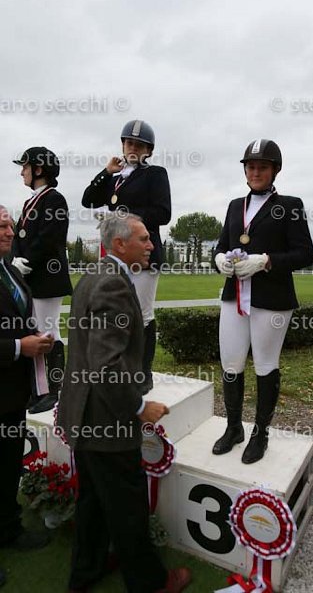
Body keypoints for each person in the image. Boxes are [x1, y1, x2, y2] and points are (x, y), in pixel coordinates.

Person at [57, 213, 191, 593]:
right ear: (119, 244)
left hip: (86, 415)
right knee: (128, 507)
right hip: (106, 420)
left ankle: (88, 570)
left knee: (93, 501)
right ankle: (151, 583)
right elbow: (106, 365)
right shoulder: (113, 284)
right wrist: (138, 408)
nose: (151, 245)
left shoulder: (95, 275)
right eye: (144, 239)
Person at [212, 139, 313, 464]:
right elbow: (223, 244)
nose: (255, 172)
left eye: (262, 167)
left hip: (271, 299)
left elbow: (305, 254)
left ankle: (260, 434)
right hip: (234, 296)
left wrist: (267, 261)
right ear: (245, 170)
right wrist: (218, 258)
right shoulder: (234, 206)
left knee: (266, 364)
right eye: (251, 167)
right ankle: (233, 428)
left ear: (274, 170)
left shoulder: (290, 205)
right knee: (231, 363)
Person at [82, 119, 171, 394]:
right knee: (116, 312)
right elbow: (88, 199)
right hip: (117, 255)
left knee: (142, 314)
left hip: (143, 252)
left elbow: (163, 213)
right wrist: (105, 172)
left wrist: (122, 218)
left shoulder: (155, 173)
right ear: (122, 145)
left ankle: (143, 373)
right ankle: (120, 367)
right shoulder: (114, 178)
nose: (133, 148)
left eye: (139, 145)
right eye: (129, 143)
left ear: (148, 150)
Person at [0, 205, 53, 585]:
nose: (9, 231)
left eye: (9, 224)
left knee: (7, 465)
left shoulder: (12, 272)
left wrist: (35, 339)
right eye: (1, 226)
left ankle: (8, 528)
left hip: (13, 392)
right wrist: (21, 347)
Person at [12, 146, 72, 414]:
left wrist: (28, 260)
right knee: (34, 332)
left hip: (47, 276)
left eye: (25, 167)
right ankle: (39, 389)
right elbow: (19, 235)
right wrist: (15, 258)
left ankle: (54, 390)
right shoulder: (30, 202)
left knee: (48, 332)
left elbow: (49, 237)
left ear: (38, 169)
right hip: (30, 276)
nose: (22, 172)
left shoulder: (55, 200)